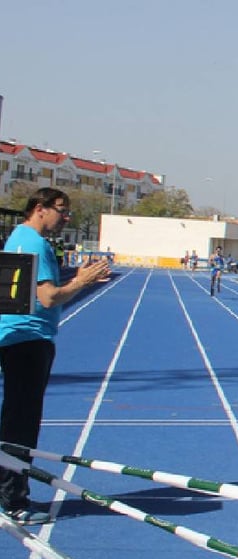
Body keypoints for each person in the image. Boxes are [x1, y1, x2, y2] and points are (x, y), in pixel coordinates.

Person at [0, 188, 111, 525]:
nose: (66, 217)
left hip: (17, 336)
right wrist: (82, 281)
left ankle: (9, 493)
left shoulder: (18, 238)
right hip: (28, 339)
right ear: (40, 208)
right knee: (20, 424)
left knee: (14, 418)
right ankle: (12, 501)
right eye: (61, 210)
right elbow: (48, 297)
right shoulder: (34, 243)